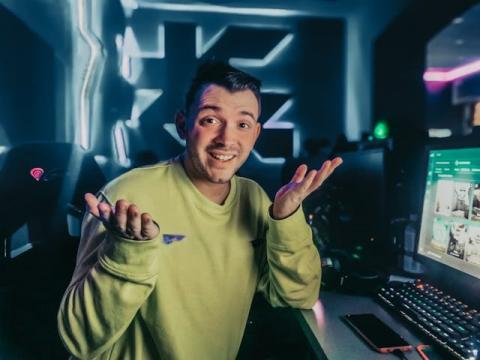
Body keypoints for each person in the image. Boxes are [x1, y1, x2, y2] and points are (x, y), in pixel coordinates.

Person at [57, 61, 342, 359]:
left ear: (255, 134)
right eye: (210, 120)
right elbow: (79, 342)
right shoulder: (125, 197)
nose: (227, 139)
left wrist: (286, 217)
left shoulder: (255, 198)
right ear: (183, 125)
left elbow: (298, 295)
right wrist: (128, 253)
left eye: (242, 125)